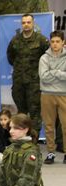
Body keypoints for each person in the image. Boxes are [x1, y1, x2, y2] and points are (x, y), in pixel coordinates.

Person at [7, 14, 49, 132]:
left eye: (28, 22)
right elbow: (10, 57)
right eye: (24, 22)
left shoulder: (41, 40)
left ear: (33, 23)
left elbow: (48, 56)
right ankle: (22, 138)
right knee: (21, 111)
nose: (26, 25)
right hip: (19, 82)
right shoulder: (15, 40)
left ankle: (33, 140)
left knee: (35, 112)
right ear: (21, 24)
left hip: (34, 83)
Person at [39, 30, 66, 164]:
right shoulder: (44, 58)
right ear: (50, 42)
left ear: (63, 42)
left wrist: (53, 72)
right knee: (49, 126)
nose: (55, 44)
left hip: (64, 95)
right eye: (53, 42)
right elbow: (43, 77)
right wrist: (60, 73)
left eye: (58, 42)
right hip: (47, 94)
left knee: (65, 125)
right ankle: (50, 152)